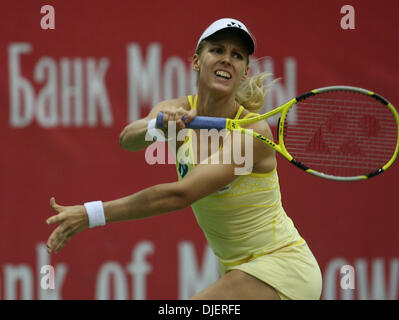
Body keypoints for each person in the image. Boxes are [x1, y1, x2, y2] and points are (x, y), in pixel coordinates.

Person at [46, 18, 322, 300]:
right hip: (238, 269)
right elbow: (128, 138)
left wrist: (90, 214)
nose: (227, 59)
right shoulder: (176, 109)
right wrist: (158, 126)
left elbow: (180, 195)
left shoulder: (252, 133)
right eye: (217, 50)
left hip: (284, 268)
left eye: (236, 56)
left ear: (243, 73)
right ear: (196, 62)